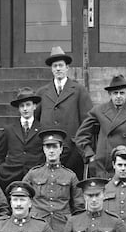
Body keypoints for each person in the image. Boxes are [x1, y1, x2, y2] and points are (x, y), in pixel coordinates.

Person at [74, 74, 126, 179]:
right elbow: (81, 136)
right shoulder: (98, 111)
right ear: (110, 94)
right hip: (102, 166)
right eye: (115, 93)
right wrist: (90, 156)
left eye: (122, 93)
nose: (118, 96)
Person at [36, 46, 93, 176]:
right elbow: (36, 119)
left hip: (72, 149)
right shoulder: (42, 92)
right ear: (51, 69)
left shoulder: (79, 90)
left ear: (67, 68)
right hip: (49, 147)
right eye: (55, 66)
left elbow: (87, 121)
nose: (58, 69)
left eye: (61, 65)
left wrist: (79, 143)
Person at [24, 129, 82, 232]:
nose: (51, 151)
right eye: (48, 147)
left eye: (54, 147)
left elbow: (79, 206)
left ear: (60, 149)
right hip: (37, 227)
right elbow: (22, 197)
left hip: (62, 228)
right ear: (43, 149)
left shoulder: (70, 176)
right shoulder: (33, 174)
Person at [0, 88, 46, 188]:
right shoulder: (9, 129)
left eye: (28, 105)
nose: (25, 109)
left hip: (36, 178)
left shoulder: (42, 129)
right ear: (18, 108)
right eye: (22, 106)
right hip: (11, 177)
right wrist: (2, 170)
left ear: (34, 106)